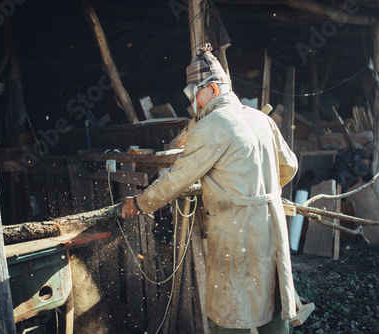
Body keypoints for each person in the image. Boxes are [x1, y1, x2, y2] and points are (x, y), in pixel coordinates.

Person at [121, 44, 298, 333]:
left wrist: (139, 203)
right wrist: (257, 192)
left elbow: (174, 181)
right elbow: (289, 167)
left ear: (213, 89)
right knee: (273, 307)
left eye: (195, 94)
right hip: (271, 227)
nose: (194, 104)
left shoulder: (211, 126)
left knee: (229, 315)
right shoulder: (261, 119)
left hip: (236, 233)